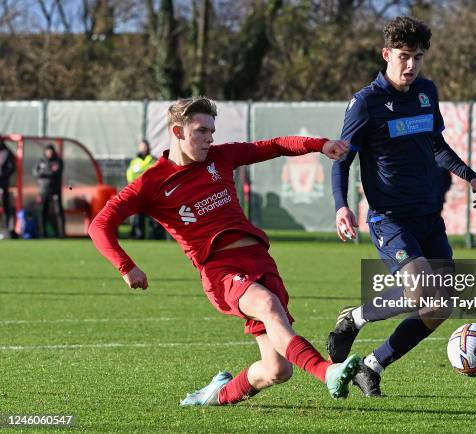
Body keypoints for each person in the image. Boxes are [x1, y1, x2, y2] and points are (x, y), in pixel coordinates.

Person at [88, 96, 360, 406]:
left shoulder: (221, 157)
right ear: (177, 132)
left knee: (277, 369)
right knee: (269, 306)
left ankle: (216, 395)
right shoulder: (150, 183)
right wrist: (126, 266)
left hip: (260, 261)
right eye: (201, 131)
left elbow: (274, 145)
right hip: (221, 269)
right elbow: (99, 225)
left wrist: (320, 145)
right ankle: (328, 372)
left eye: (211, 130)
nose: (210, 138)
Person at [328, 16, 476, 397]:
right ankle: (354, 318)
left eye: (418, 57)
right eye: (403, 56)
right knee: (420, 292)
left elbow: (435, 144)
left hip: (429, 217)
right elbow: (341, 159)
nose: (411, 65)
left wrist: (470, 174)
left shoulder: (426, 92)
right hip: (390, 218)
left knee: (439, 307)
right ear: (386, 54)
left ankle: (373, 364)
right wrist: (341, 205)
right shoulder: (366, 103)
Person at [126, 139, 157, 239]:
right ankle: (138, 234)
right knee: (138, 214)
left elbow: (154, 175)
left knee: (154, 215)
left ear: (148, 148)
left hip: (151, 193)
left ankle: (155, 236)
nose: (143, 148)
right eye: (141, 146)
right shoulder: (134, 161)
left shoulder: (153, 160)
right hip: (138, 192)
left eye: (145, 146)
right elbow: (130, 174)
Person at [34, 144, 65, 238]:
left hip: (55, 190)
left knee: (59, 212)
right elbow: (35, 172)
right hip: (43, 190)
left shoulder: (58, 161)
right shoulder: (41, 161)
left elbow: (55, 172)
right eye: (47, 151)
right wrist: (48, 172)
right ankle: (42, 234)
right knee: (42, 212)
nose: (49, 153)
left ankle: (61, 234)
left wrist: (43, 172)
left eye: (51, 151)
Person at [0, 140, 17, 239]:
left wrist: (2, 175)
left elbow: (12, 167)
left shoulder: (6, 152)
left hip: (3, 184)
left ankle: (7, 231)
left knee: (6, 208)